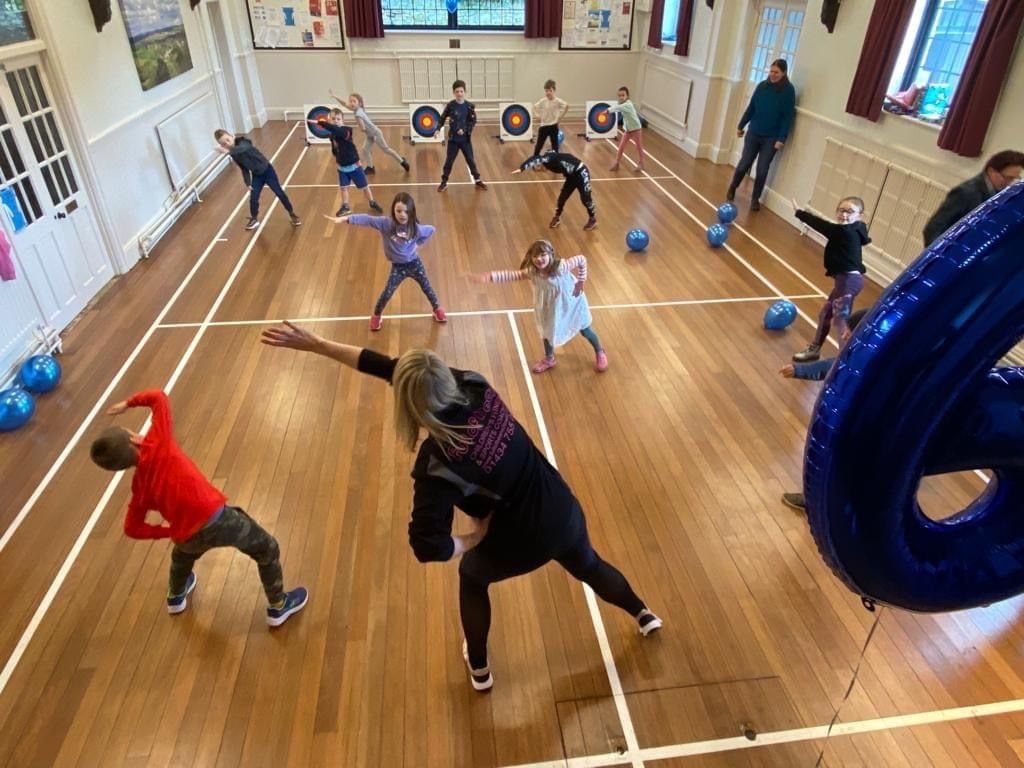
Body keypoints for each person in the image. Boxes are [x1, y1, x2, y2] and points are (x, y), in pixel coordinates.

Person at [260, 323, 661, 691]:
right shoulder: (473, 384)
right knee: (589, 564)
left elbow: (427, 546)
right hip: (560, 506)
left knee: (472, 576)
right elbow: (401, 371)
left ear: (409, 405)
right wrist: (319, 345)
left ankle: (480, 668)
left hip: (521, 537)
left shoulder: (437, 464)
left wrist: (472, 539)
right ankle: (643, 614)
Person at [89, 390, 308, 626]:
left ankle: (176, 597)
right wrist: (128, 403)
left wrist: (168, 531)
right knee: (267, 548)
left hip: (186, 536)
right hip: (219, 521)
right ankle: (278, 606)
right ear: (134, 439)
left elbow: (131, 528)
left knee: (181, 558)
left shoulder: (139, 487)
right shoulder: (158, 442)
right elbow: (158, 397)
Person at [470, 240, 607, 374]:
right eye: (535, 256)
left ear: (551, 254)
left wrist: (581, 281)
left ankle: (600, 351)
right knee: (547, 332)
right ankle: (549, 359)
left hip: (571, 303)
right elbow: (512, 275)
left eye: (543, 255)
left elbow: (582, 259)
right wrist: (491, 276)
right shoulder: (533, 272)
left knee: (585, 329)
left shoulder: (561, 267)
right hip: (550, 307)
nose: (539, 259)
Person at [778, 309, 868, 510]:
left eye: (849, 332)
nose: (844, 335)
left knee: (838, 463)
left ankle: (818, 502)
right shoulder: (862, 355)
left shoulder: (865, 361)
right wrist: (799, 370)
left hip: (861, 426)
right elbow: (833, 365)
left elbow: (835, 367)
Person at [324, 192, 446, 331]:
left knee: (427, 287)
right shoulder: (386, 224)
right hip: (398, 267)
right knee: (387, 292)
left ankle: (437, 309)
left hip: (414, 264)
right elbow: (367, 219)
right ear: (393, 210)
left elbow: (431, 230)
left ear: (411, 212)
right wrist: (346, 219)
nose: (402, 214)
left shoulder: (416, 229)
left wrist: (418, 243)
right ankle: (377, 316)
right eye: (398, 211)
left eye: (406, 211)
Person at [790, 196, 870, 363]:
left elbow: (821, 225)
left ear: (860, 215)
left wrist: (799, 213)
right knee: (825, 313)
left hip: (848, 281)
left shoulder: (844, 231)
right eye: (841, 210)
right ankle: (815, 350)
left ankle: (845, 363)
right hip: (845, 281)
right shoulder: (857, 228)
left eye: (850, 211)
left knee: (841, 321)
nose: (844, 214)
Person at [725, 59, 796, 212]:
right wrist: (741, 125)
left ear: (784, 73)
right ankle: (733, 186)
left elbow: (787, 117)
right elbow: (751, 108)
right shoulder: (762, 87)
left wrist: (781, 138)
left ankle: (755, 199)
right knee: (744, 163)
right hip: (754, 133)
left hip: (771, 138)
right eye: (771, 71)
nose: (773, 75)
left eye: (776, 72)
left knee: (762, 169)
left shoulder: (788, 91)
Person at [922, 150, 1024, 246]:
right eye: (1008, 178)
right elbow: (933, 229)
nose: (1010, 183)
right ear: (991, 171)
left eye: (1015, 179)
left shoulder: (1001, 194)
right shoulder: (965, 193)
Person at [215, 129, 301, 231]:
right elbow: (244, 168)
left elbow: (243, 148)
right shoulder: (233, 153)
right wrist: (247, 183)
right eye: (224, 144)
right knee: (253, 197)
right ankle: (254, 218)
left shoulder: (244, 142)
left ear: (232, 136)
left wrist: (228, 151)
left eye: (228, 140)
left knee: (279, 193)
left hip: (268, 172)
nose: (227, 144)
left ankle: (292, 213)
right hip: (257, 175)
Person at [308, 108, 383, 216]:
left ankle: (372, 202)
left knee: (364, 186)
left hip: (354, 166)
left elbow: (337, 131)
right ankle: (346, 207)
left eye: (338, 119)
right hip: (342, 168)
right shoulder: (332, 135)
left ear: (343, 120)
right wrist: (337, 157)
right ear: (330, 120)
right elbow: (335, 147)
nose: (336, 121)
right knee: (343, 188)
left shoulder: (346, 131)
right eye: (333, 119)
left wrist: (322, 123)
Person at [331, 89, 410, 175]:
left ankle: (402, 161)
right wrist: (335, 97)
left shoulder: (357, 114)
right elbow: (344, 104)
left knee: (386, 149)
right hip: (370, 134)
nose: (351, 103)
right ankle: (370, 167)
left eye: (354, 101)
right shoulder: (359, 109)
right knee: (365, 149)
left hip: (375, 134)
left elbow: (363, 128)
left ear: (359, 103)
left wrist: (354, 128)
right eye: (350, 101)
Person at [513, 150, 597, 231]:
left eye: (538, 168)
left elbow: (535, 158)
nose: (540, 170)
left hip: (581, 173)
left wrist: (522, 168)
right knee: (562, 198)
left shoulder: (548, 159)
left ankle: (592, 219)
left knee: (585, 199)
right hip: (571, 177)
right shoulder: (550, 161)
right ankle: (557, 217)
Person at [438, 80, 488, 192]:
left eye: (461, 91)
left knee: (470, 160)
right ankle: (444, 182)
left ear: (465, 92)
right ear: (453, 92)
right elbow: (442, 117)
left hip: (465, 140)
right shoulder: (450, 105)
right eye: (457, 91)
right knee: (449, 161)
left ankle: (478, 180)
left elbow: (473, 121)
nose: (459, 94)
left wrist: (464, 130)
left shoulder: (469, 106)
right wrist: (438, 128)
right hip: (453, 140)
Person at [607, 86, 645, 173]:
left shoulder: (628, 105)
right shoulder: (622, 105)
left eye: (623, 95)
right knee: (621, 146)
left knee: (638, 146)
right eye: (619, 95)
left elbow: (616, 108)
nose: (621, 97)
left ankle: (641, 163)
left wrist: (607, 111)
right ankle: (616, 163)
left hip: (636, 129)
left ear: (627, 96)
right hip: (628, 130)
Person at [532, 79, 569, 156]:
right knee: (539, 146)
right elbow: (534, 107)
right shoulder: (543, 101)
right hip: (544, 126)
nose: (548, 92)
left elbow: (567, 106)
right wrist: (536, 115)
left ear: (554, 90)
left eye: (550, 90)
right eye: (546, 91)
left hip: (553, 126)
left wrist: (560, 117)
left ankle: (556, 160)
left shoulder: (558, 101)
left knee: (555, 146)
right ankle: (534, 159)